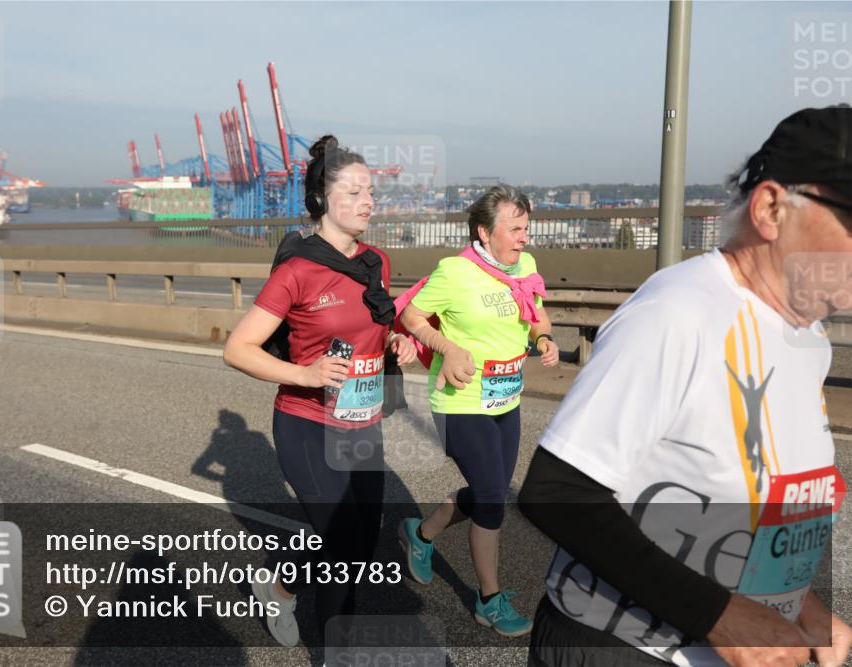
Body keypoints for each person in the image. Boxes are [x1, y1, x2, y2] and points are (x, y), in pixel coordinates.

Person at [517, 104, 852, 667]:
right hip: (619, 646)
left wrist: (799, 607)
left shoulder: (808, 338)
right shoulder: (680, 311)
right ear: (771, 208)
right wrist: (722, 617)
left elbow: (739, 512)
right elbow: (557, 494)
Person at [223, 135, 417, 649]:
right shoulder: (298, 270)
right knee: (340, 544)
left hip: (362, 423)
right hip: (307, 424)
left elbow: (376, 321)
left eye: (370, 192)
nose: (368, 202)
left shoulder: (375, 260)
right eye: (353, 193)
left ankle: (278, 584)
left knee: (361, 543)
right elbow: (238, 348)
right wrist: (306, 374)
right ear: (320, 201)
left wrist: (397, 340)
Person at [397, 185, 560, 637]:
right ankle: (489, 600)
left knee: (490, 493)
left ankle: (421, 534)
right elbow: (411, 316)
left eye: (527, 228)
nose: (524, 237)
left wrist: (543, 339)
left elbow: (536, 315)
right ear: (485, 233)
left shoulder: (525, 266)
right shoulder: (454, 271)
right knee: (491, 500)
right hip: (460, 400)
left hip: (506, 400)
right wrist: (445, 346)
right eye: (515, 228)